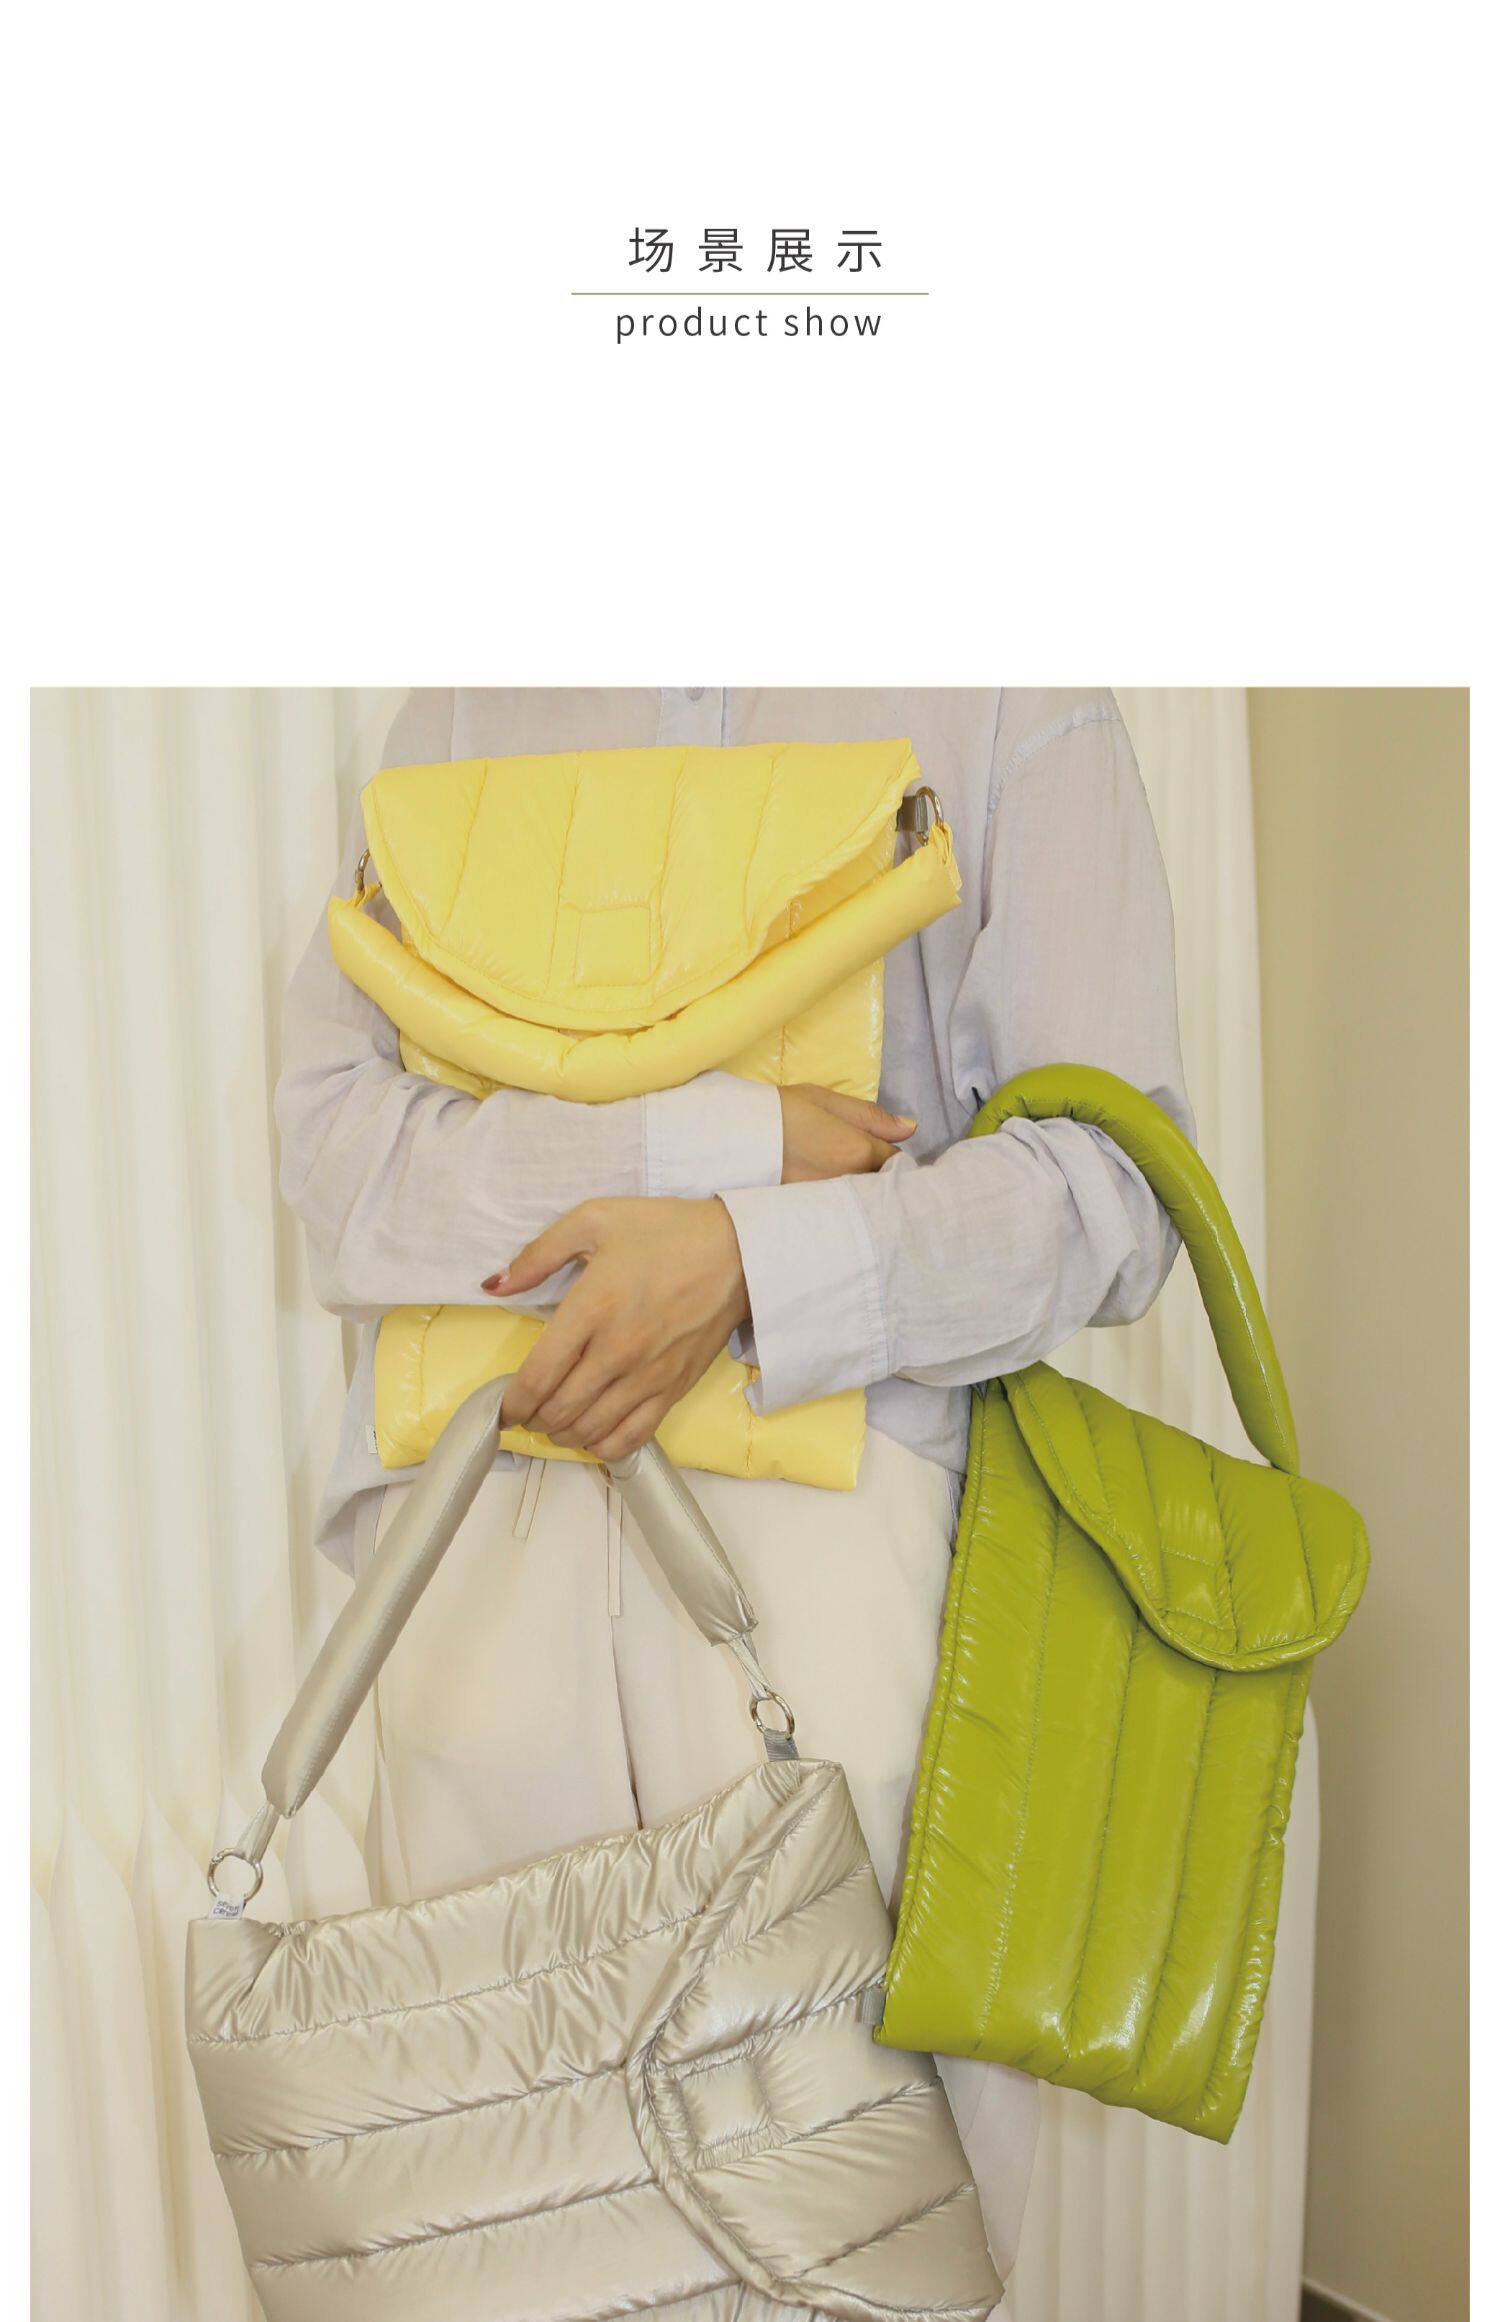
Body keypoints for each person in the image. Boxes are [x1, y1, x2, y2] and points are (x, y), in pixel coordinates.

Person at [275, 686, 1193, 2288]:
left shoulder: (1008, 685)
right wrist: (720, 1146)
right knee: (505, 2249)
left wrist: (752, 1263)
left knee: (857, 2251)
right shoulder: (477, 692)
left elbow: (1108, 1184)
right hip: (487, 1571)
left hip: (839, 1567)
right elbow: (340, 1152)